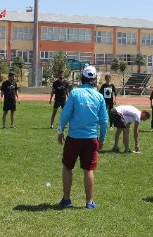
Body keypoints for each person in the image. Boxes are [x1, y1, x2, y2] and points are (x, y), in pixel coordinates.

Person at [57, 65, 108, 209]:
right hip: (91, 139)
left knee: (67, 167)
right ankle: (89, 202)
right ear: (94, 79)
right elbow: (104, 121)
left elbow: (65, 114)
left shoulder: (74, 93)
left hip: (74, 138)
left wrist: (60, 132)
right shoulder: (99, 96)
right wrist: (102, 139)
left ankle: (66, 199)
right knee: (88, 170)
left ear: (82, 78)